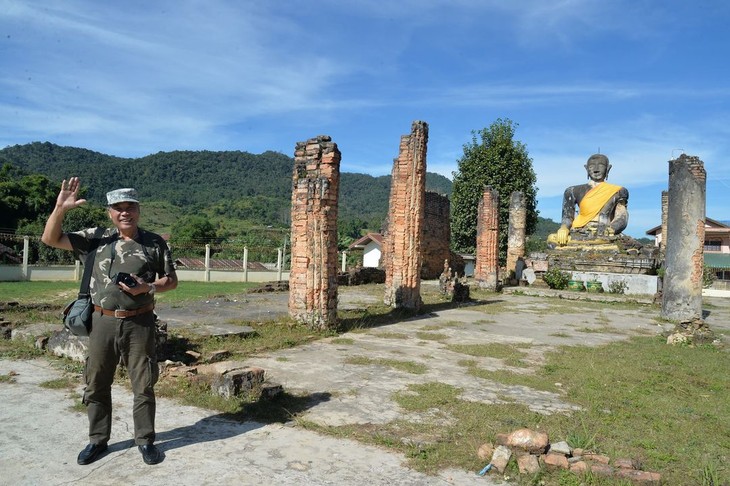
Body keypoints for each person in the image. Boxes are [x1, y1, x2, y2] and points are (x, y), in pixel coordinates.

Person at [41, 178, 178, 466]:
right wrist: (59, 209)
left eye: (130, 207)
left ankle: (145, 440)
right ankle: (98, 440)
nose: (124, 212)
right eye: (118, 208)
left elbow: (171, 281)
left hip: (140, 323)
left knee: (143, 384)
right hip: (101, 321)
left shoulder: (154, 243)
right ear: (110, 212)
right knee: (96, 383)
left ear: (138, 210)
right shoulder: (96, 237)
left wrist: (148, 288)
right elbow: (50, 239)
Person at [548, 154, 629, 246]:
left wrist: (612, 229)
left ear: (608, 168)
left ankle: (598, 243)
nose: (596, 169)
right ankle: (595, 244)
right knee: (552, 238)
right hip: (579, 231)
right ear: (586, 168)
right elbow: (567, 217)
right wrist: (564, 228)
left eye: (601, 165)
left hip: (604, 231)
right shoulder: (572, 191)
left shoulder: (618, 191)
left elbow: (622, 216)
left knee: (608, 240)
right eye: (591, 166)